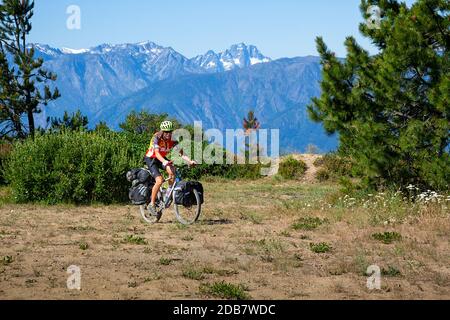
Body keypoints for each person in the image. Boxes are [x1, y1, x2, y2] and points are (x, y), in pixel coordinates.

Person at [143, 120, 196, 215]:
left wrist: (190, 161)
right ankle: (151, 204)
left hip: (161, 158)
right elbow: (157, 153)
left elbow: (181, 153)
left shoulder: (173, 139)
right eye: (166, 132)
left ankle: (168, 193)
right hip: (151, 158)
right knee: (159, 180)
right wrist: (164, 162)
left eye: (170, 131)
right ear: (162, 131)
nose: (168, 134)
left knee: (172, 172)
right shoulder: (156, 137)